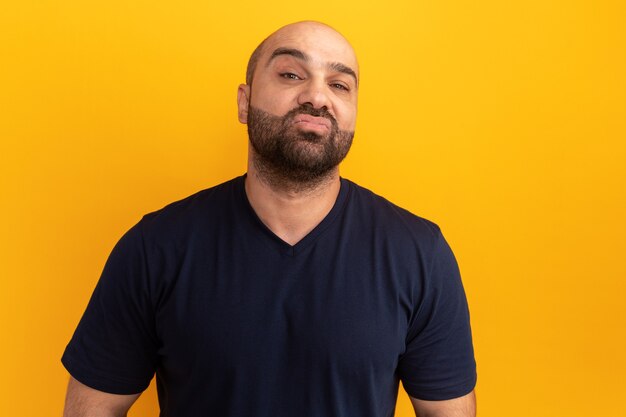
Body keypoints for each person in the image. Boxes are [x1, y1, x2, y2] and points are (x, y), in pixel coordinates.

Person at [62, 21, 477, 417]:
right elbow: (97, 405)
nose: (317, 97)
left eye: (339, 84)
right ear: (244, 102)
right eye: (292, 75)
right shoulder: (155, 248)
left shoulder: (419, 254)